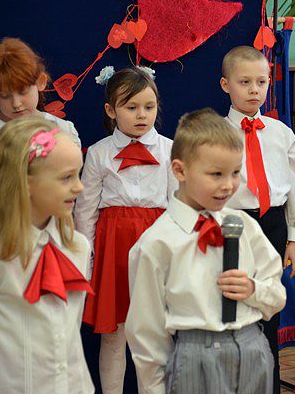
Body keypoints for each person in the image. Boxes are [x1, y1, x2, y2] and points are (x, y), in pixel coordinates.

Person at [125, 108, 286, 394]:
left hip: (252, 348)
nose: (228, 185)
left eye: (235, 173)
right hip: (195, 357)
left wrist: (253, 289)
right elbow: (146, 333)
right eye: (216, 174)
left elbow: (276, 296)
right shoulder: (157, 242)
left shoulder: (244, 226)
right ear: (180, 170)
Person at [74, 67, 176, 394]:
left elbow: (179, 207)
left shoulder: (170, 150)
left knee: (153, 336)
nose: (141, 115)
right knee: (114, 335)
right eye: (131, 107)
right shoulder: (99, 153)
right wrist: (86, 261)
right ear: (111, 110)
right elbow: (85, 211)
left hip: (155, 248)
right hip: (113, 251)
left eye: (149, 106)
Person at [220, 45, 295, 393]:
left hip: (273, 225)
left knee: (268, 309)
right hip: (231, 227)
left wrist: (294, 239)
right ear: (226, 85)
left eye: (261, 82)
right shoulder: (214, 133)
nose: (254, 90)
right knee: (230, 310)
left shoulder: (281, 133)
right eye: (244, 82)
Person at [0, 117, 93, 393]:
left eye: (78, 174)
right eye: (66, 177)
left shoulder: (77, 247)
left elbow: (70, 334)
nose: (79, 187)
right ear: (25, 182)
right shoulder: (4, 255)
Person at [0, 37, 80, 146]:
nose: (16, 103)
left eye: (23, 91)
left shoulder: (62, 130)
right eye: (4, 95)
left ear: (40, 82)